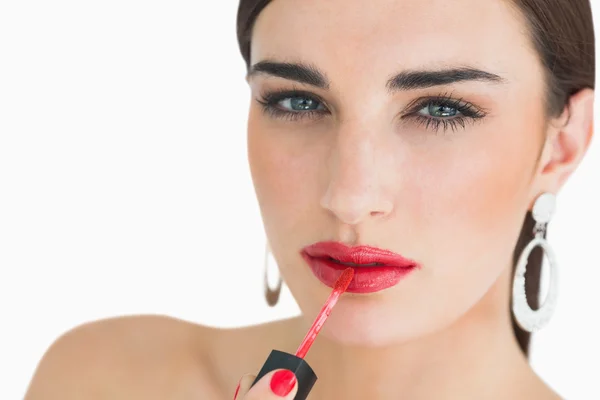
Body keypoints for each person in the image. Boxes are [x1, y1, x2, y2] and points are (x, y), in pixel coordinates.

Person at [25, 0, 595, 398]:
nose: (349, 196)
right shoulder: (101, 381)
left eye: (440, 109)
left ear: (560, 147)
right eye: (298, 102)